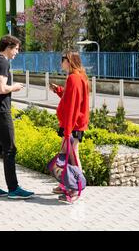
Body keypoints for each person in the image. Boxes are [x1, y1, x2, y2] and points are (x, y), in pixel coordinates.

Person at [0, 35, 35, 200]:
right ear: (8, 47)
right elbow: (1, 88)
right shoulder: (3, 62)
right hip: (0, 112)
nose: (17, 53)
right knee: (10, 149)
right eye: (16, 49)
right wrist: (15, 87)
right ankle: (13, 188)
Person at [49, 51, 90, 203]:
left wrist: (67, 130)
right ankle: (65, 184)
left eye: (63, 59)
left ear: (70, 61)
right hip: (73, 123)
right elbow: (70, 98)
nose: (61, 62)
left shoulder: (74, 78)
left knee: (72, 156)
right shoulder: (78, 77)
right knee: (65, 155)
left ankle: (76, 187)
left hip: (72, 124)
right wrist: (59, 90)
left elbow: (72, 106)